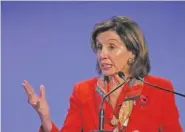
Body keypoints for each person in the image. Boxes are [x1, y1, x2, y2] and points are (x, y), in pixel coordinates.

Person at [22, 16, 183, 132]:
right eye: (99, 47)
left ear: (132, 52)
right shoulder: (83, 91)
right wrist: (45, 118)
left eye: (111, 47)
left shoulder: (161, 89)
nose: (102, 54)